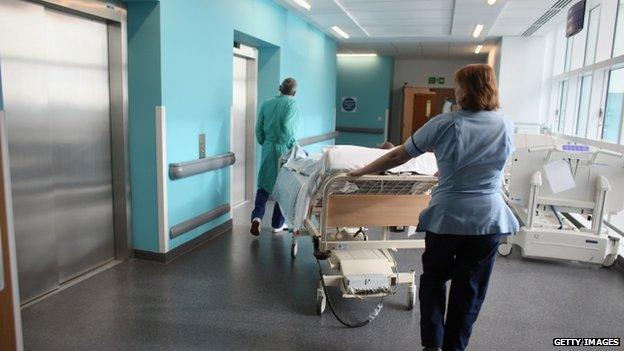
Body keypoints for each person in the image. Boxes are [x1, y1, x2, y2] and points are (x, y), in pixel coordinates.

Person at [348, 64, 519, 351]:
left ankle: (432, 345)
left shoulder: (445, 123)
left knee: (435, 281)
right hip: (488, 219)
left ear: (466, 89)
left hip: (448, 218)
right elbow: (491, 164)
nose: (455, 90)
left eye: (458, 85)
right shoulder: (506, 124)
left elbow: (399, 155)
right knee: (471, 290)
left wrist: (363, 171)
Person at [250, 78, 299, 236]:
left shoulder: (267, 103)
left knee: (263, 184)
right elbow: (288, 128)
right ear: (294, 92)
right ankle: (277, 224)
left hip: (268, 147)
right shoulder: (292, 104)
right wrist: (292, 146)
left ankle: (256, 218)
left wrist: (266, 143)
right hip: (284, 148)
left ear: (280, 89)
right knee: (282, 186)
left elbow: (258, 130)